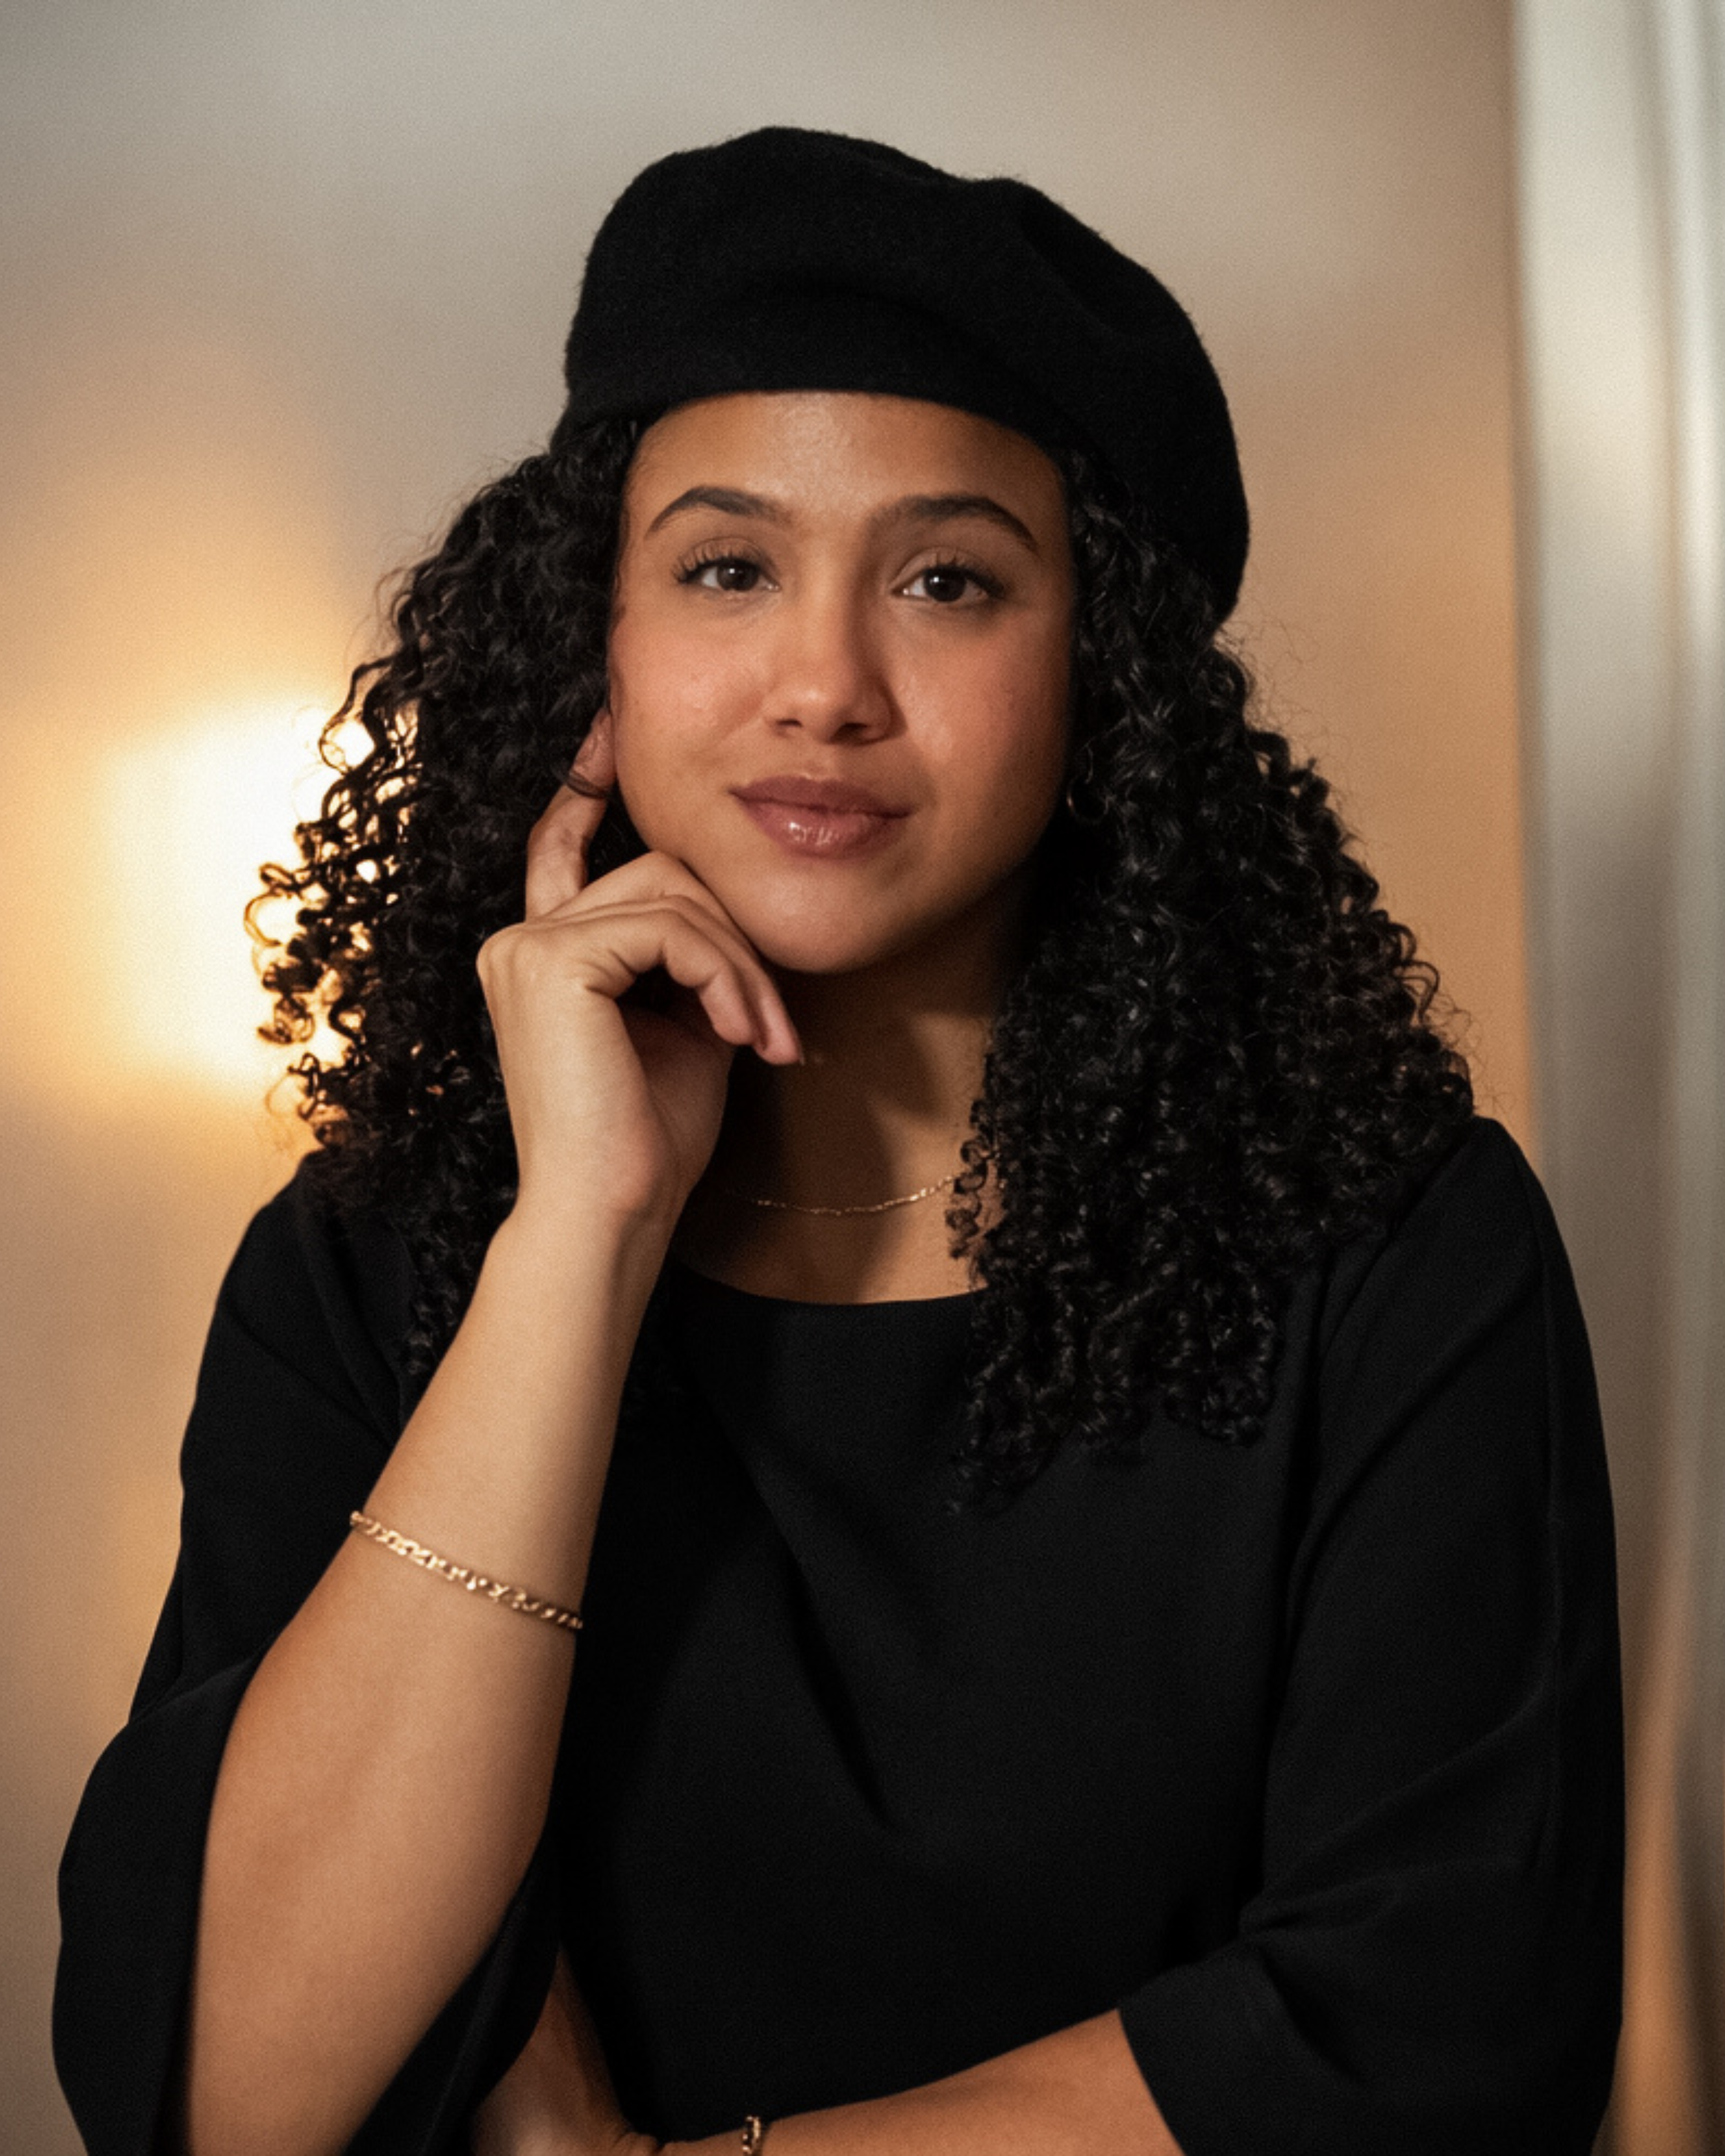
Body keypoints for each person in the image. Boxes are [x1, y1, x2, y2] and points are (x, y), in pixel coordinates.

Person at [55, 128, 1623, 2156]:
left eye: (949, 581)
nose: (822, 686)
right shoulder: (371, 1264)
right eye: (725, 567)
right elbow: (236, 2092)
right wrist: (579, 1240)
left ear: (1101, 682)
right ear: (590, 637)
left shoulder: (1393, 1247)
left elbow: (1440, 2034)